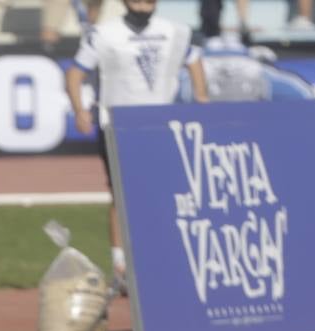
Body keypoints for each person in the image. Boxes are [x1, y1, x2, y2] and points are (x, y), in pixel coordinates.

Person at [65, 0, 208, 291]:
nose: (143, 5)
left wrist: (201, 98)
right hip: (118, 123)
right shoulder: (104, 33)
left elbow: (194, 60)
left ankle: (166, 260)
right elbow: (76, 72)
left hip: (162, 123)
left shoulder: (175, 31)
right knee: (121, 194)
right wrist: (80, 109)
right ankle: (121, 267)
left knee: (171, 194)